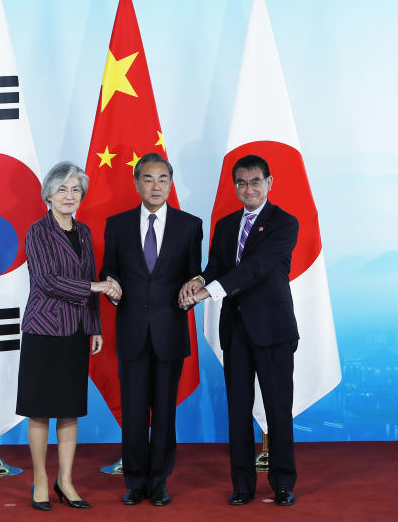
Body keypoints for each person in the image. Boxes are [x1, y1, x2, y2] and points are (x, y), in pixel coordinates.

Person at [179, 154, 300, 507]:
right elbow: (216, 266)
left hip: (273, 330)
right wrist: (198, 281)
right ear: (235, 186)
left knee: (279, 410)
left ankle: (282, 483)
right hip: (236, 330)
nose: (249, 188)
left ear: (269, 183)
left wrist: (209, 291)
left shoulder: (284, 223)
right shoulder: (227, 224)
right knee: (237, 410)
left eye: (256, 182)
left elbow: (257, 268)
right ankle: (242, 485)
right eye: (243, 183)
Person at [17, 162, 122, 511]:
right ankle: (41, 480)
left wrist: (94, 326)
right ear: (48, 194)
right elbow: (47, 281)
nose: (69, 195)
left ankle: (65, 480)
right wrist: (97, 287)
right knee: (39, 411)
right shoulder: (37, 231)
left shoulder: (84, 231)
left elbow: (89, 278)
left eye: (76, 189)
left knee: (69, 411)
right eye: (62, 189)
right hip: (43, 330)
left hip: (76, 331)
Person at [100, 153, 202, 507]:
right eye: (148, 179)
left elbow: (195, 272)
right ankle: (134, 481)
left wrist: (196, 283)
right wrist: (111, 286)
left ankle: (159, 481)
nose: (155, 186)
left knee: (164, 414)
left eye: (162, 179)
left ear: (171, 183)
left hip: (169, 332)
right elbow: (109, 270)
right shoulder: (117, 225)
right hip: (131, 332)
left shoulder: (190, 225)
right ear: (136, 183)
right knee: (133, 413)